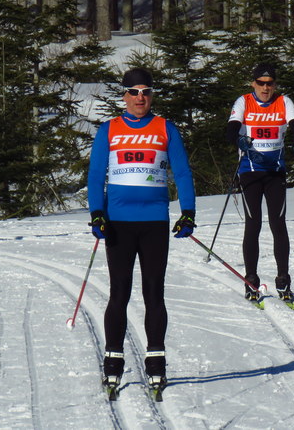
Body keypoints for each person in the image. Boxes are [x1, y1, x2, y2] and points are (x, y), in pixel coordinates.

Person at [88, 67, 196, 396]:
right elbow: (96, 174)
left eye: (146, 92)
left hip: (154, 223)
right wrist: (96, 213)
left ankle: (156, 364)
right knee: (119, 293)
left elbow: (182, 172)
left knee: (153, 293)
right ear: (124, 96)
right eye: (134, 92)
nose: (140, 98)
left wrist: (188, 212)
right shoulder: (109, 129)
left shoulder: (165, 128)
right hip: (118, 223)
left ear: (152, 95)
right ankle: (113, 363)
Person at [225, 62, 294, 304]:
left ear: (275, 85)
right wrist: (238, 140)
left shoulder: (283, 101)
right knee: (253, 223)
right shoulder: (244, 101)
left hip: (275, 172)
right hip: (250, 171)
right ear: (253, 83)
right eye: (261, 83)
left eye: (270, 84)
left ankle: (283, 279)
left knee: (278, 223)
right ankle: (251, 279)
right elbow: (231, 129)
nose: (265, 88)